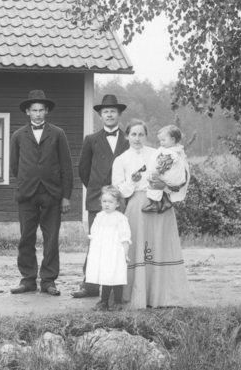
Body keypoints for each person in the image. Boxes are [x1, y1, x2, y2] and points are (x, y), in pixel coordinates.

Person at [113, 119, 191, 308]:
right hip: (136, 206)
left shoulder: (159, 153)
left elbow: (178, 175)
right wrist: (132, 181)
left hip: (161, 204)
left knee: (161, 245)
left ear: (146, 136)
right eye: (133, 134)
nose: (137, 138)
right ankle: (138, 296)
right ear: (127, 136)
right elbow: (119, 191)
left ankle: (164, 296)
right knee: (138, 247)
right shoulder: (121, 160)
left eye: (141, 134)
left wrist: (165, 185)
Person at [8, 89, 73, 296]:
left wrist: (65, 196)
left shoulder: (58, 134)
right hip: (27, 194)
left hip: (51, 193)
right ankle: (28, 280)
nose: (37, 114)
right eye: (34, 110)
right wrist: (29, 179)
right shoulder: (18, 135)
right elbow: (15, 166)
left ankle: (48, 281)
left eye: (41, 110)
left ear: (46, 112)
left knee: (51, 238)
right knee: (26, 238)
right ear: (28, 112)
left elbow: (66, 166)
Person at [73, 93, 131, 300]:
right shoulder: (91, 140)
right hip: (99, 200)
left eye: (113, 111)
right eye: (106, 111)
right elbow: (83, 170)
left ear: (119, 114)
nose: (109, 115)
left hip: (123, 199)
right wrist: (101, 193)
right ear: (100, 115)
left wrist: (119, 194)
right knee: (96, 241)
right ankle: (90, 285)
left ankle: (118, 288)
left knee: (121, 242)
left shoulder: (128, 139)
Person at [82, 186, 131, 311]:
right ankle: (104, 301)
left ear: (117, 204)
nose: (107, 204)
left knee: (116, 276)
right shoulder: (99, 217)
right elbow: (94, 235)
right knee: (105, 276)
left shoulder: (120, 218)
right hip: (102, 252)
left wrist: (125, 254)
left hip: (115, 253)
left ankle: (118, 302)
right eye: (104, 201)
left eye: (110, 202)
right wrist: (92, 253)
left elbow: (125, 237)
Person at [142, 125, 190, 213]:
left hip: (171, 176)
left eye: (163, 140)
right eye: (160, 140)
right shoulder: (175, 149)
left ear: (172, 140)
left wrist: (157, 171)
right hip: (171, 174)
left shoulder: (170, 152)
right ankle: (165, 201)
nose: (161, 142)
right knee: (157, 183)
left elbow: (164, 163)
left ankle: (155, 202)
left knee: (153, 180)